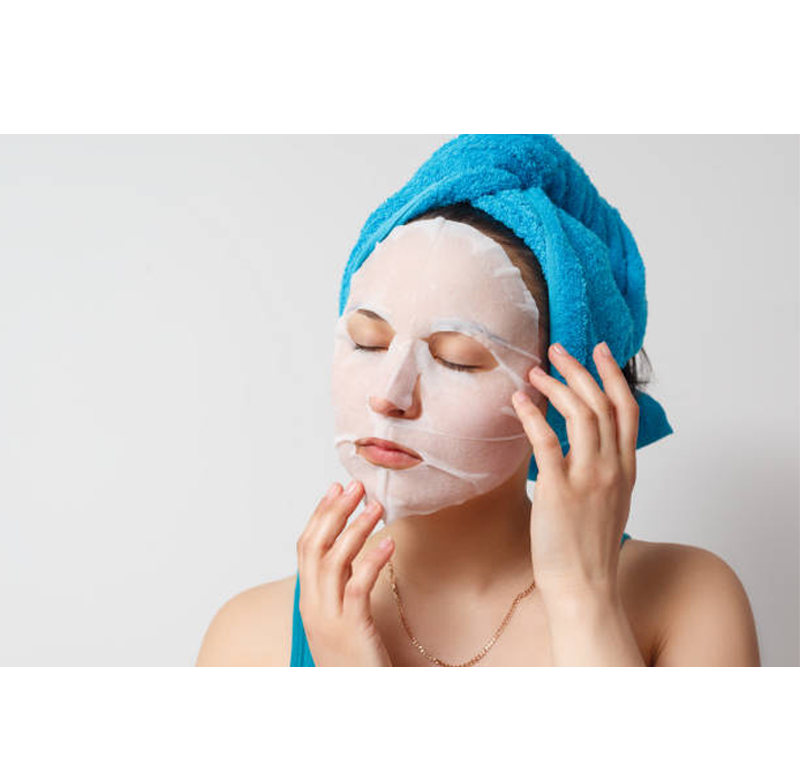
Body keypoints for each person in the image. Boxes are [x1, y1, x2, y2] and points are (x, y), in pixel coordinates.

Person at [195, 137, 760, 667]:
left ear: (566, 393)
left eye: (457, 359)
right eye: (368, 343)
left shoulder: (686, 598)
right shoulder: (250, 637)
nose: (388, 396)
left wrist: (581, 598)